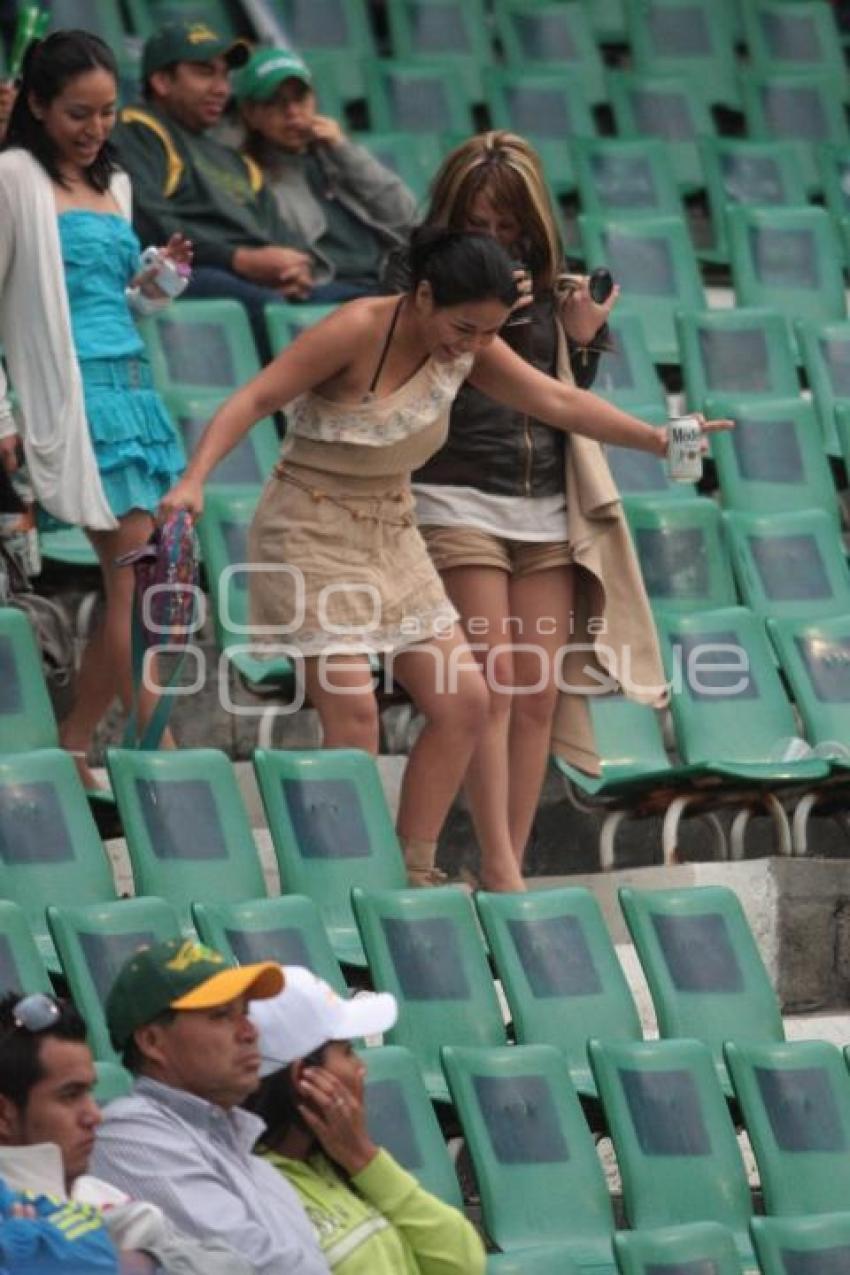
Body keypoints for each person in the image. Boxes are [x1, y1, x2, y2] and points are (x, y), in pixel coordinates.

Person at [160, 228, 729, 888]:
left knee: (465, 701)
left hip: (391, 530)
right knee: (354, 715)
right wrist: (194, 478)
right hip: (308, 529)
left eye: (487, 332)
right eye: (464, 326)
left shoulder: (469, 348)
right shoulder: (355, 328)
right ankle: (342, 881)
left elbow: (555, 399)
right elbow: (254, 399)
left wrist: (658, 440)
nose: (472, 345)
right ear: (424, 295)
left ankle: (410, 870)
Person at [401, 131, 637, 890]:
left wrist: (580, 339)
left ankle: (511, 850)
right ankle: (502, 870)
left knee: (537, 693)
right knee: (492, 684)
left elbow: (563, 397)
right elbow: (437, 378)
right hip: (456, 493)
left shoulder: (549, 285)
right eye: (479, 225)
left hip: (543, 505)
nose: (497, 241)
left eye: (510, 228)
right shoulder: (425, 284)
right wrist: (493, 315)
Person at [0, 29, 190, 791]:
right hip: (71, 396)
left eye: (108, 112)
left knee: (140, 582)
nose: (96, 128)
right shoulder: (12, 175)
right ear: (38, 105)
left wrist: (154, 286)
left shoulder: (117, 187)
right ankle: (161, 752)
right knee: (141, 584)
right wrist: (3, 416)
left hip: (133, 391)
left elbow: (115, 304)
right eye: (79, 112)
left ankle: (79, 741)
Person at [112, 22, 367, 357]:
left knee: (371, 305)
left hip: (262, 283)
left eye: (224, 75)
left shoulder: (236, 161)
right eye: (205, 73)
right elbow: (149, 222)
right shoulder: (138, 129)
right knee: (270, 308)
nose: (221, 88)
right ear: (162, 81)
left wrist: (295, 270)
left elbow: (283, 236)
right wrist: (240, 260)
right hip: (194, 275)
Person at [91, 939, 332, 1275]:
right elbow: (253, 1268)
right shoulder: (131, 1137)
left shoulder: (252, 1161)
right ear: (152, 1042)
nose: (250, 1032)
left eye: (245, 1013)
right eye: (221, 1015)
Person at [246, 965, 486, 1273]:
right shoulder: (259, 1191)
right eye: (347, 1052)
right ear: (304, 1077)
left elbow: (464, 1261)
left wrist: (363, 1157)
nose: (361, 1068)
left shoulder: (341, 1163)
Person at [0, 989, 254, 1273]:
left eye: (90, 1092)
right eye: (70, 1096)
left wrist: (131, 1262)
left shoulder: (100, 1194)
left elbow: (237, 1266)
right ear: (3, 1116)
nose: (94, 1115)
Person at [234, 47, 417, 298]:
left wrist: (345, 151)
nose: (292, 112)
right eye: (275, 102)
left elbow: (405, 215)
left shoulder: (337, 156)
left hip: (387, 280)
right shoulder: (248, 176)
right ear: (251, 115)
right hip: (329, 289)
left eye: (300, 98)